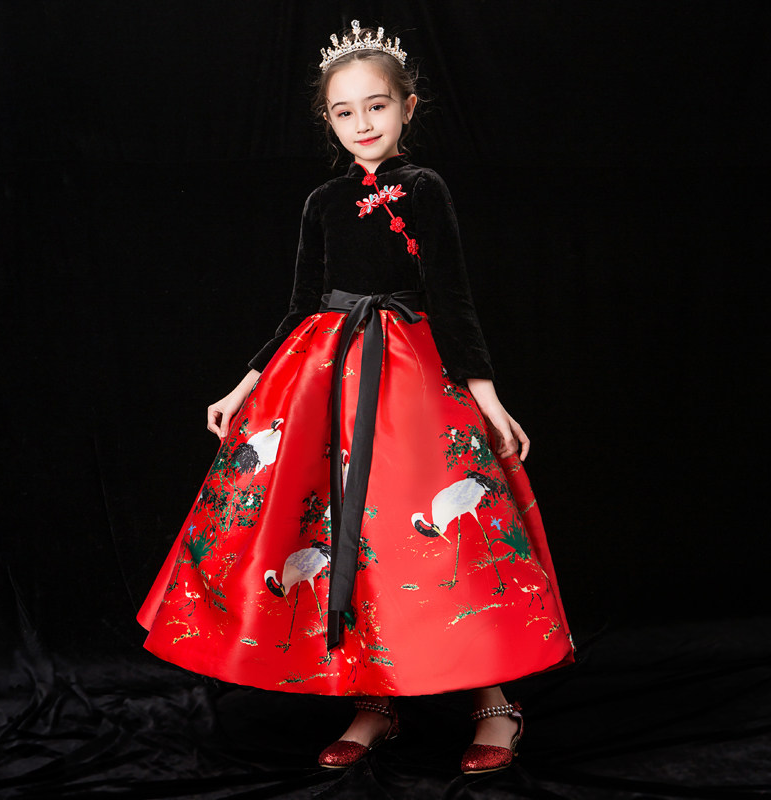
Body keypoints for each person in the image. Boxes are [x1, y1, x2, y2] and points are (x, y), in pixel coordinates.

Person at [137, 20, 575, 774]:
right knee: (340, 529)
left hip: (409, 375)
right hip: (325, 377)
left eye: (378, 106)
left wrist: (486, 395)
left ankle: (494, 702)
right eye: (345, 112)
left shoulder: (425, 189)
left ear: (408, 107)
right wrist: (243, 385)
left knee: (416, 533)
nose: (363, 123)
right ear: (328, 119)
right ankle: (374, 698)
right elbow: (301, 305)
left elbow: (452, 296)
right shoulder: (322, 201)